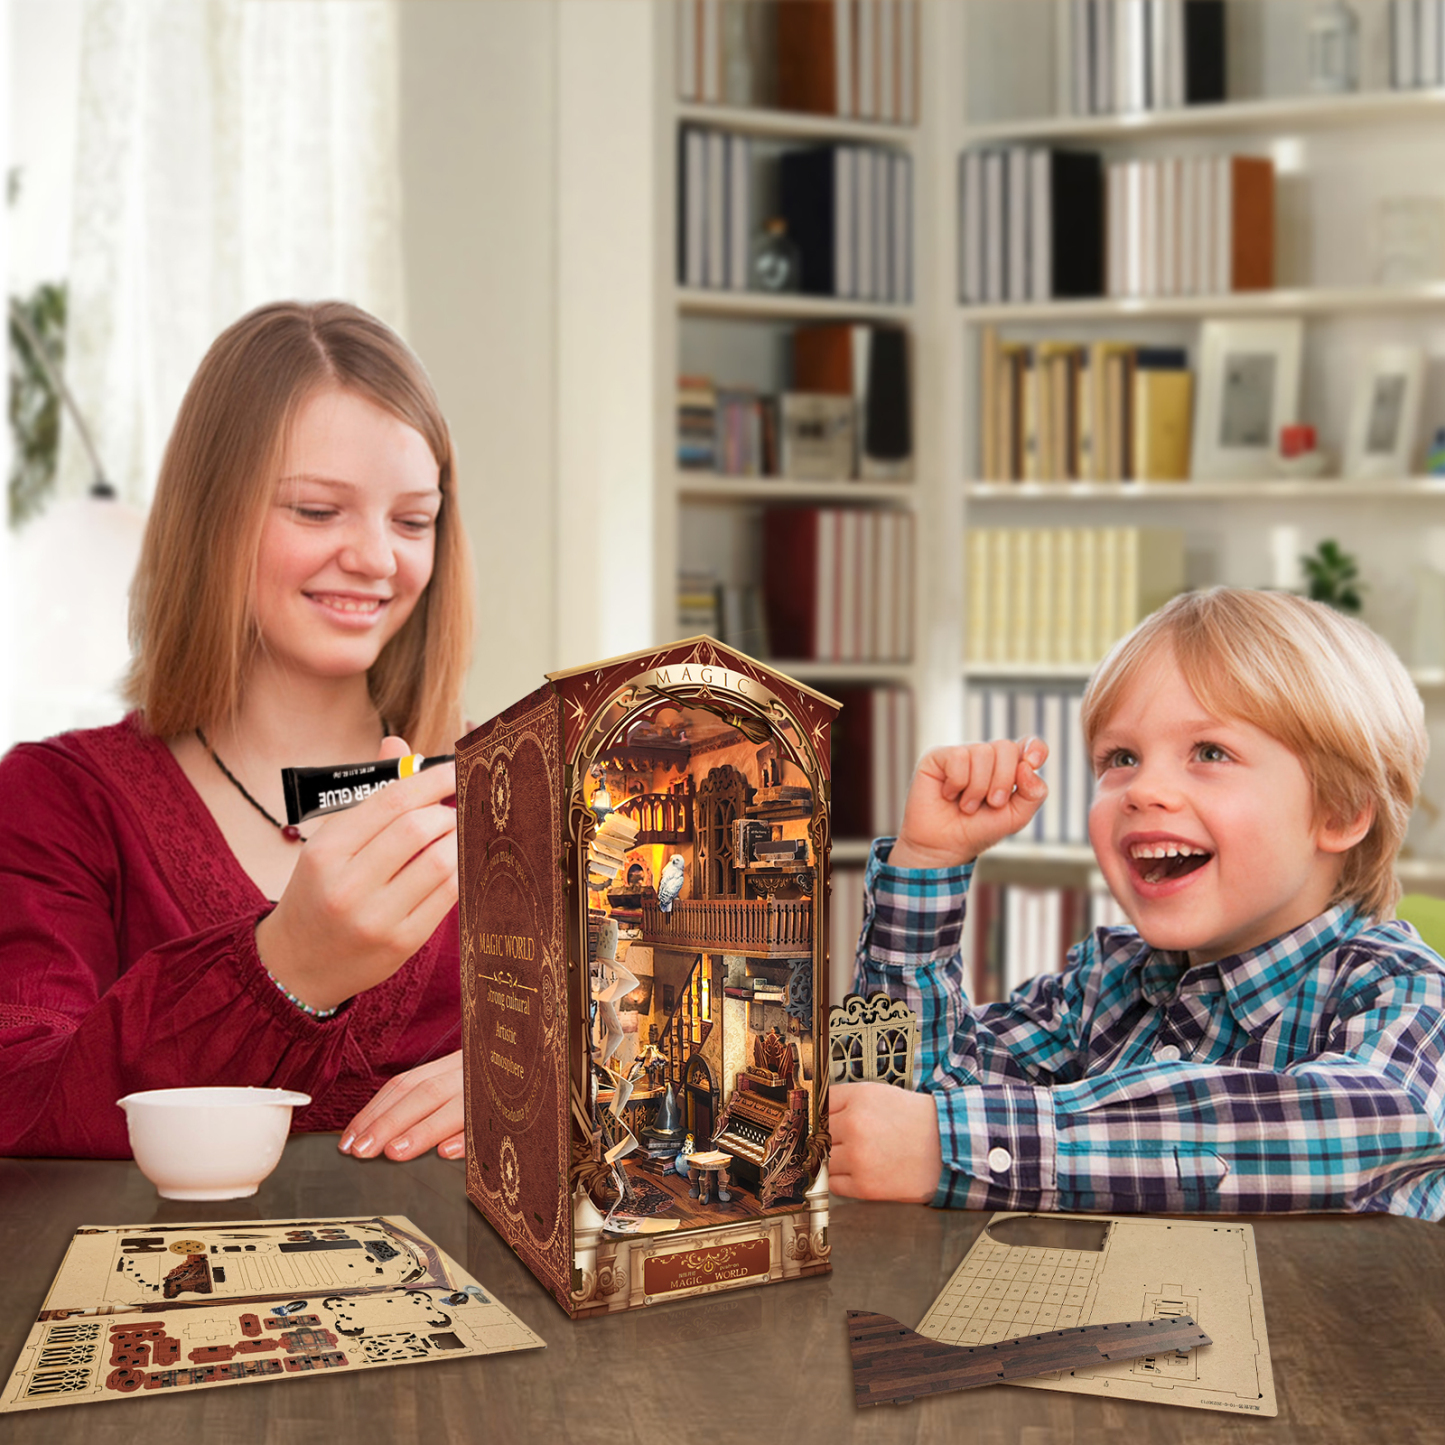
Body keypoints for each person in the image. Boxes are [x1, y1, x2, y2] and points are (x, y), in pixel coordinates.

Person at [0, 300, 473, 1162]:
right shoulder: (56, 800)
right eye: (317, 511)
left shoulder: (519, 790)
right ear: (211, 515)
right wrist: (287, 967)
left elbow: (657, 1061)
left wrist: (539, 1087)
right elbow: (21, 1106)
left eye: (412, 520)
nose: (377, 558)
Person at [829, 588, 1445, 1219]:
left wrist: (953, 1143)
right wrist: (927, 862)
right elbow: (889, 1107)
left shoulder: (1406, 993)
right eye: (1121, 758)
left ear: (1340, 812)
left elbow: (1353, 1129)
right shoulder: (1104, 982)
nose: (1143, 789)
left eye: (1210, 753)